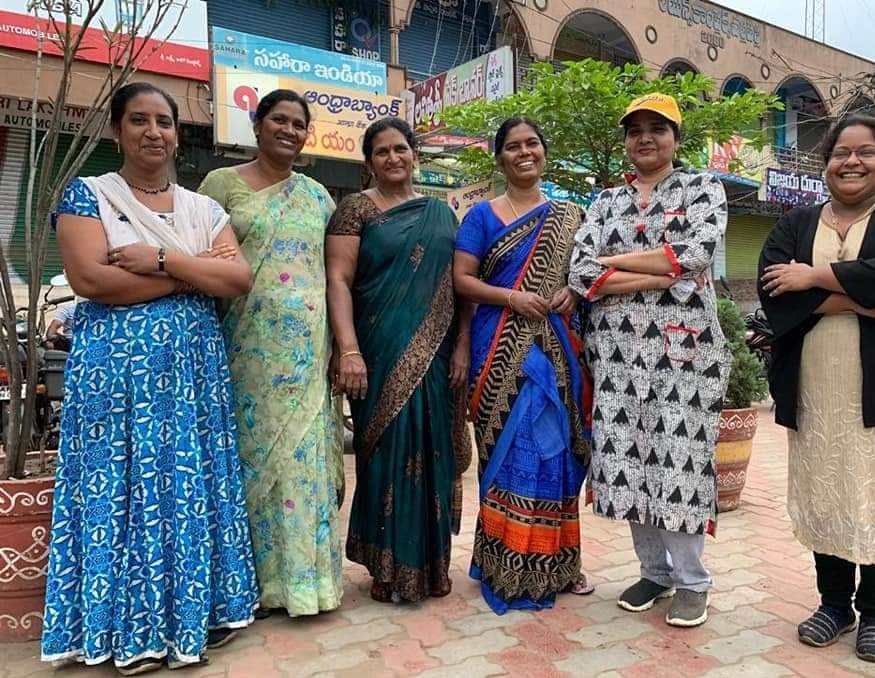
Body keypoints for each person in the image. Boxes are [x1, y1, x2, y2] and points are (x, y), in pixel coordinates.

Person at [41, 82, 258, 675]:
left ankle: (199, 615)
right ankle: (125, 633)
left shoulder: (202, 209)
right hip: (117, 381)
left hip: (191, 379)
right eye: (139, 120)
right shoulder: (91, 195)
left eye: (164, 121)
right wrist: (194, 273)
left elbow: (237, 279)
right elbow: (92, 280)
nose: (153, 132)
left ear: (177, 135)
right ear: (117, 130)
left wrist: (161, 260)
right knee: (125, 490)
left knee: (188, 487)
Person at [758, 114, 875, 663]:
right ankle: (835, 605)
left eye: (866, 152)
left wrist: (814, 277)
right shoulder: (796, 223)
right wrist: (857, 303)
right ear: (826, 163)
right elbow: (774, 291)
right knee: (827, 494)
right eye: (841, 152)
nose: (852, 162)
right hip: (817, 389)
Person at [569, 93, 730, 628]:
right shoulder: (605, 202)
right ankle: (654, 573)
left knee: (679, 462)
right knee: (630, 462)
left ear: (675, 139)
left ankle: (693, 582)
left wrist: (612, 264)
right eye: (635, 130)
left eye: (657, 129)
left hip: (684, 357)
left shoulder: (702, 188)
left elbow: (695, 255)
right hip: (617, 360)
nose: (645, 138)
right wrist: (662, 274)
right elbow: (581, 275)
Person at [198, 89, 345, 618]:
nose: (289, 130)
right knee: (249, 461)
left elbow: (337, 275)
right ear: (257, 125)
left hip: (308, 353)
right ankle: (251, 586)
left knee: (303, 465)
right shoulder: (219, 186)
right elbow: (202, 259)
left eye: (298, 124)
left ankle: (307, 586)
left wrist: (344, 346)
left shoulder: (318, 196)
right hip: (246, 352)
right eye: (278, 120)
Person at [326, 117, 471, 603]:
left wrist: (462, 344)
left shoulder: (440, 213)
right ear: (369, 161)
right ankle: (388, 568)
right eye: (382, 151)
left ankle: (431, 566)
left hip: (437, 354)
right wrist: (348, 349)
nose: (393, 158)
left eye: (400, 149)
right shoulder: (355, 210)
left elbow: (458, 286)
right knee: (386, 454)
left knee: (433, 453)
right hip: (377, 350)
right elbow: (338, 280)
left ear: (415, 156)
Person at [453, 117, 593, 614]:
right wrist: (512, 297)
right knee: (511, 452)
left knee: (555, 455)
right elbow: (462, 280)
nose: (524, 152)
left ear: (544, 152)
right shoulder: (481, 216)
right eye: (513, 146)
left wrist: (572, 291)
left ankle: (558, 565)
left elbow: (588, 274)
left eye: (532, 143)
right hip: (499, 350)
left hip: (557, 350)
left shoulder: (571, 216)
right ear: (500, 158)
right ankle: (505, 563)